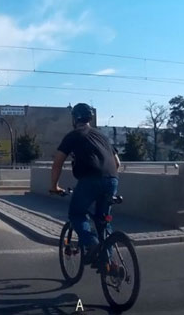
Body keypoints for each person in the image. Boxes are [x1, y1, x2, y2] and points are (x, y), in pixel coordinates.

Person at [49, 103, 121, 269]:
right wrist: (107, 180)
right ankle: (107, 263)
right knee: (104, 221)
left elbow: (57, 163)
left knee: (77, 213)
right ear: (90, 118)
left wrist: (54, 186)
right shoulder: (103, 136)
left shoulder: (73, 135)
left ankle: (91, 243)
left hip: (90, 179)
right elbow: (117, 162)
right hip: (112, 179)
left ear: (74, 119)